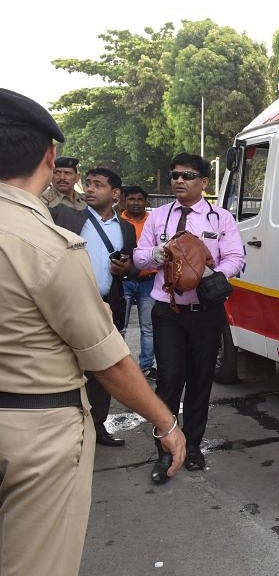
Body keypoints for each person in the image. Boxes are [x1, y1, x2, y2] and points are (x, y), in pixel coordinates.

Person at [0, 87, 184, 576]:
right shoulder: (47, 243)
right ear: (49, 156)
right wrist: (165, 423)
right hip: (33, 433)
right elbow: (107, 359)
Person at [133, 153, 245, 483]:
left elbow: (237, 256)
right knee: (169, 381)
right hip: (167, 311)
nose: (179, 180)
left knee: (200, 381)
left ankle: (193, 446)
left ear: (204, 182)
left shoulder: (219, 218)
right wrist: (154, 254)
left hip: (206, 312)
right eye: (175, 175)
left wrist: (211, 276)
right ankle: (165, 450)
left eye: (188, 175)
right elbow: (139, 257)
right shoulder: (158, 217)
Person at [51, 167, 138, 448]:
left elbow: (131, 266)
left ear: (115, 194)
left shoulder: (125, 227)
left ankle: (98, 424)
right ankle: (68, 430)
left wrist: (126, 269)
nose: (89, 189)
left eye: (98, 185)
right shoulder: (67, 217)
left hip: (108, 306)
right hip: (71, 305)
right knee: (68, 368)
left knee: (104, 367)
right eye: (87, 183)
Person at [120, 184, 157, 380]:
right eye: (132, 199)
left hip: (148, 280)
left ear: (146, 202)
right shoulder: (117, 221)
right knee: (120, 326)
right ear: (124, 201)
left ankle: (146, 366)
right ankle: (119, 366)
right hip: (123, 281)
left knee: (148, 326)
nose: (136, 203)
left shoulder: (153, 221)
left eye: (140, 199)